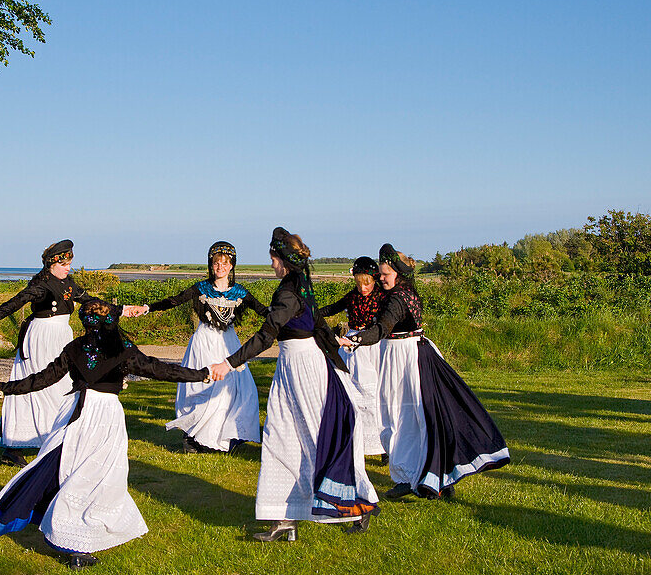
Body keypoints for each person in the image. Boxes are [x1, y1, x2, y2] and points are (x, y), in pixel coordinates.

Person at [0, 300, 211, 568]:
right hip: (103, 415)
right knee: (97, 475)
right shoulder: (122, 349)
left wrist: (1, 387)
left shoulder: (74, 348)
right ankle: (76, 540)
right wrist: (202, 374)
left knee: (71, 470)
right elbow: (160, 370)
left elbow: (41, 379)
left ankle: (72, 534)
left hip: (76, 413)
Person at [210, 227, 379, 541]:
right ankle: (284, 518)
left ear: (282, 261)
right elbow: (318, 324)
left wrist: (229, 363)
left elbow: (266, 333)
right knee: (281, 434)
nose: (271, 266)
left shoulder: (289, 291)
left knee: (313, 436)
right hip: (295, 366)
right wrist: (335, 344)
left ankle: (357, 502)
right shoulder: (300, 283)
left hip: (303, 369)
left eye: (273, 260)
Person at [351, 243, 509, 500]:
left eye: (385, 274)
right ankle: (431, 476)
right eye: (380, 274)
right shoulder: (406, 291)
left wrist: (355, 339)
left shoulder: (397, 298)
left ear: (398, 274)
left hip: (404, 355)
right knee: (415, 415)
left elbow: (382, 328)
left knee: (401, 414)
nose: (380, 278)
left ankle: (411, 476)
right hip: (409, 351)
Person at [127, 241, 267, 453]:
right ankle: (195, 439)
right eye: (216, 263)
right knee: (203, 388)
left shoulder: (239, 292)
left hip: (229, 344)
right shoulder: (201, 288)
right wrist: (147, 308)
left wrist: (290, 321)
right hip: (204, 343)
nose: (220, 267)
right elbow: (174, 301)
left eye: (225, 263)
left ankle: (224, 438)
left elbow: (264, 312)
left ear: (231, 266)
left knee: (241, 389)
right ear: (211, 265)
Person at [0, 240, 100, 467]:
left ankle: (55, 437)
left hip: (61, 334)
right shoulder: (42, 285)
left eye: (69, 263)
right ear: (51, 264)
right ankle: (18, 444)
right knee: (40, 386)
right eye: (64, 264)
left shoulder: (69, 283)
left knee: (63, 385)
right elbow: (18, 301)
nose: (68, 267)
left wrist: (119, 310)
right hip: (41, 338)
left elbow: (90, 301)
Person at [318, 256, 386, 458]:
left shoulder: (383, 298)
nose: (363, 288)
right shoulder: (352, 296)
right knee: (351, 393)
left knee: (376, 394)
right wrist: (309, 315)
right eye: (359, 283)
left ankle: (383, 444)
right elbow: (331, 309)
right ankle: (354, 440)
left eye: (367, 283)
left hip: (374, 346)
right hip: (351, 350)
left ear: (374, 280)